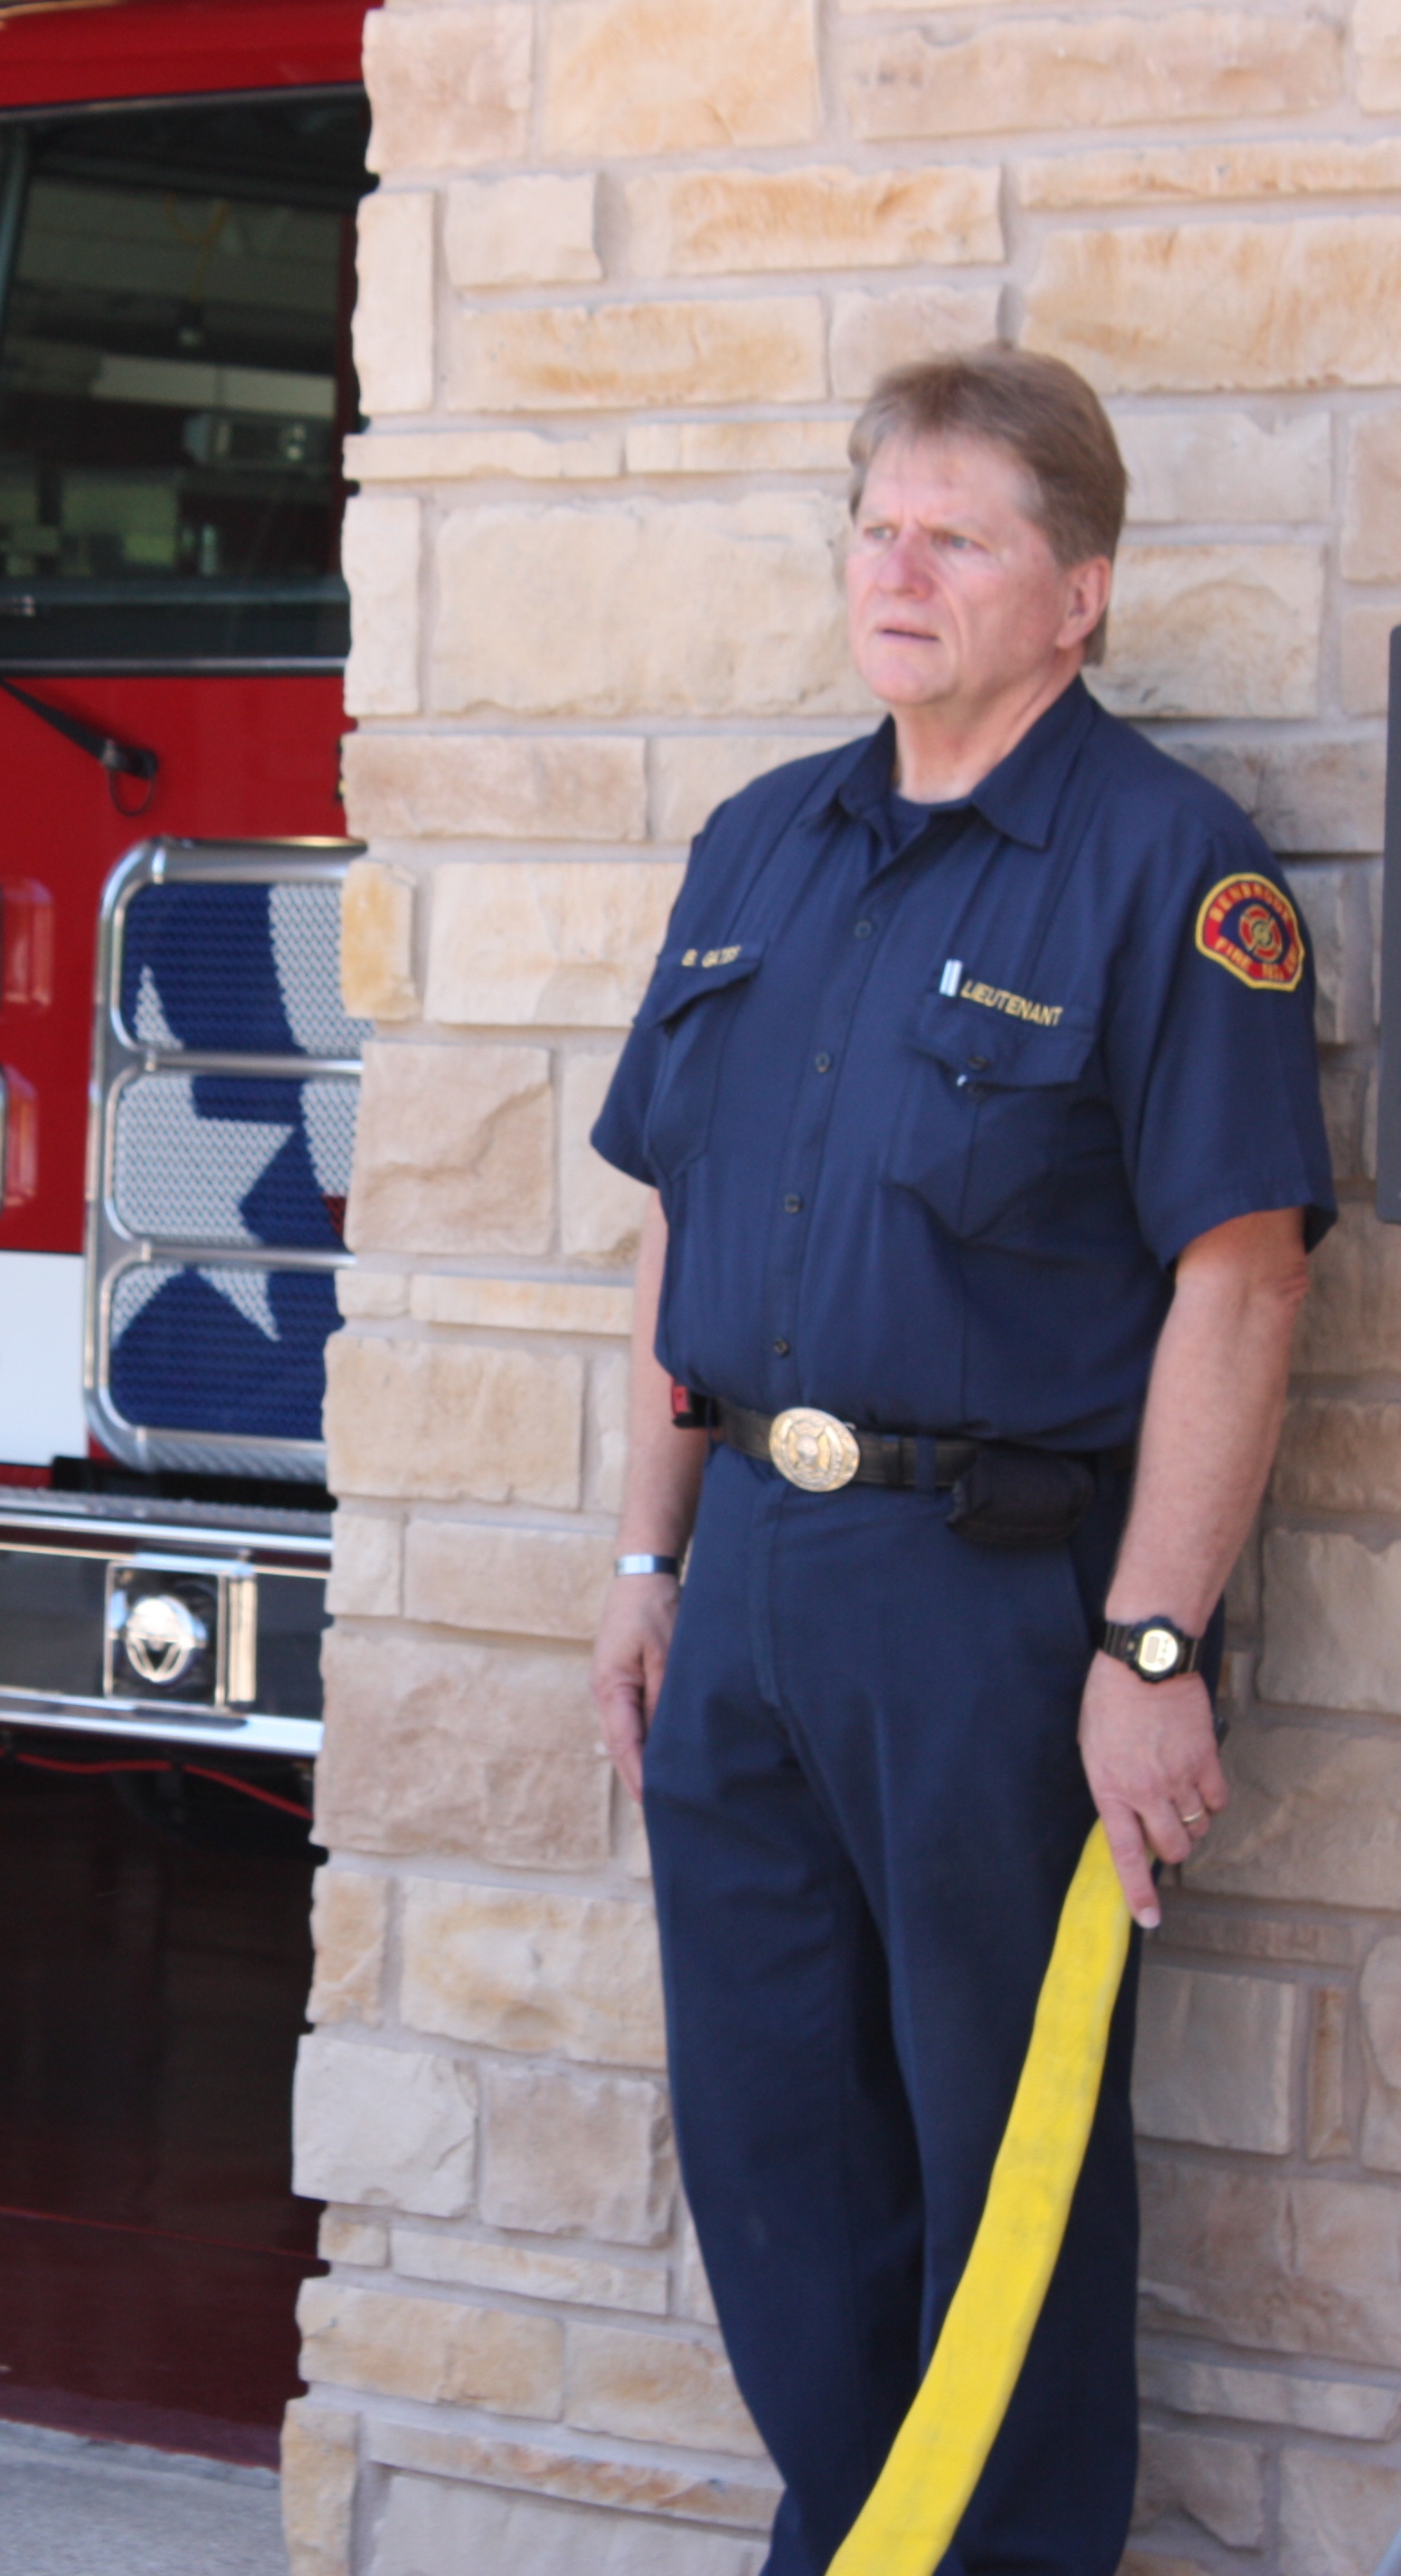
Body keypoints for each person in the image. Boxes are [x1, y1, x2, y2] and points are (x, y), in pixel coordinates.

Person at [586, 346, 1333, 2572]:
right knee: (776, 2155)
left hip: (994, 1608)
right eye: (873, 525)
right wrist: (647, 1562)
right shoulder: (761, 846)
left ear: (1076, 592)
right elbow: (677, 1232)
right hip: (752, 1603)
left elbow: (1246, 1279)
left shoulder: (1170, 872)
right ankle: (864, 2538)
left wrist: (1154, 1637)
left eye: (959, 538)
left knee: (1004, 2167)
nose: (895, 571)